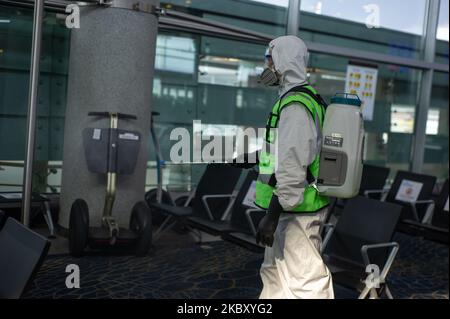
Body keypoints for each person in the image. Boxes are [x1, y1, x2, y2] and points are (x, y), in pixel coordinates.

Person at [232, 35, 334, 299]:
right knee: (275, 274)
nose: (266, 67)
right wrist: (255, 158)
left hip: (296, 210)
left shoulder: (296, 106)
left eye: (270, 60)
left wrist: (272, 217)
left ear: (284, 62)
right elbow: (285, 150)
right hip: (290, 207)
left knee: (305, 280)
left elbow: (292, 166)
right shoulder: (298, 99)